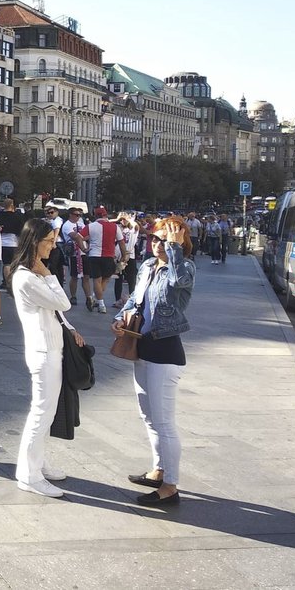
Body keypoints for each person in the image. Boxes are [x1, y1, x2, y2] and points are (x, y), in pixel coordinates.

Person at [112, 216, 195, 507]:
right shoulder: (147, 266)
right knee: (149, 416)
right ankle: (159, 469)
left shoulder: (184, 267)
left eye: (165, 239)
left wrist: (175, 249)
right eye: (155, 239)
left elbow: (178, 282)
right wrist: (119, 318)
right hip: (141, 347)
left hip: (165, 350)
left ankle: (170, 486)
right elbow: (135, 300)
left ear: (179, 239)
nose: (158, 245)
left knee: (164, 421)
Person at [10, 217, 85, 497]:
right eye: (49, 241)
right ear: (35, 242)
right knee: (41, 413)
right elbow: (63, 302)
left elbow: (56, 311)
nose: (54, 246)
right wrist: (49, 275)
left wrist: (69, 328)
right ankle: (28, 474)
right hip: (43, 351)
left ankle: (38, 463)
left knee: (47, 411)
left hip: (52, 347)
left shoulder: (34, 274)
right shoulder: (27, 277)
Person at [81, 207, 126, 314]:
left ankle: (98, 301)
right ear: (106, 215)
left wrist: (84, 248)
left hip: (94, 255)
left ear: (96, 216)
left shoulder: (90, 226)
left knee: (96, 280)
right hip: (109, 256)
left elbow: (79, 236)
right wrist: (124, 256)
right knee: (105, 279)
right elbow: (121, 243)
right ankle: (99, 301)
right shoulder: (115, 227)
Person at [0, 199, 25, 291]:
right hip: (14, 243)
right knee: (13, 265)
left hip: (2, 243)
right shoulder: (17, 217)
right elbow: (21, 231)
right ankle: (11, 283)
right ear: (12, 205)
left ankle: (6, 282)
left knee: (6, 264)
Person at [113, 213, 140, 310]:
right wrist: (118, 219)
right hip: (119, 256)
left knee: (131, 279)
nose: (123, 221)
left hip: (130, 255)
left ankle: (132, 299)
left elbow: (136, 225)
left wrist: (129, 219)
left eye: (125, 219)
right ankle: (117, 299)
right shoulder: (117, 227)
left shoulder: (133, 228)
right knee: (118, 278)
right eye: (122, 220)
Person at [60, 207, 87, 305]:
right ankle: (73, 296)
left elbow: (87, 234)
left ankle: (88, 297)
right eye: (76, 215)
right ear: (70, 215)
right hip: (74, 253)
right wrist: (82, 237)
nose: (78, 217)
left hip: (84, 252)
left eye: (80, 215)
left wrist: (82, 238)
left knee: (86, 276)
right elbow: (75, 236)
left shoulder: (81, 223)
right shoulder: (67, 225)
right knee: (74, 276)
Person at [44, 206, 65, 286]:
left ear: (57, 212)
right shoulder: (52, 220)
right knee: (57, 265)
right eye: (48, 213)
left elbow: (57, 230)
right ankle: (59, 283)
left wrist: (54, 242)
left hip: (57, 244)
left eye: (52, 212)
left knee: (54, 265)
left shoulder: (57, 221)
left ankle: (58, 283)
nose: (50, 214)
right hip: (55, 243)